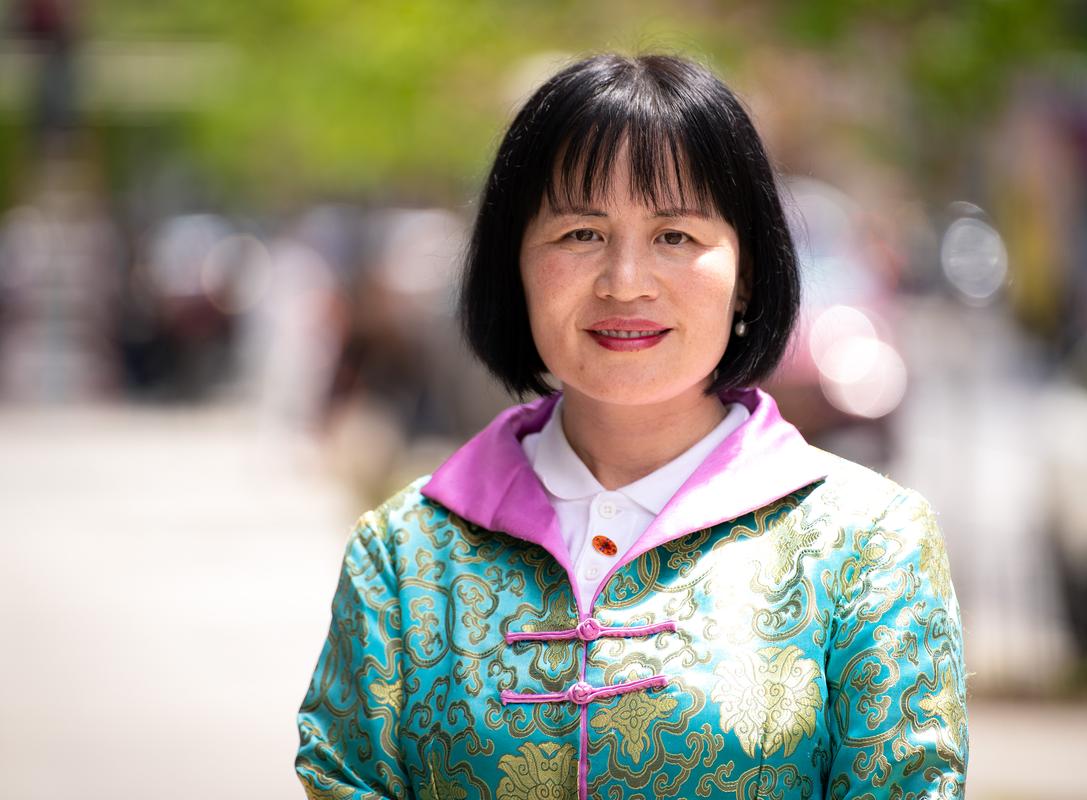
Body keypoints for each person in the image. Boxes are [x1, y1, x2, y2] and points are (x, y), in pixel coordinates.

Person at [295, 52, 968, 800]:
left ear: (746, 269)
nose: (625, 282)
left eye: (675, 236)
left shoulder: (868, 547)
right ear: (512, 264)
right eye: (580, 234)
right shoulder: (403, 560)